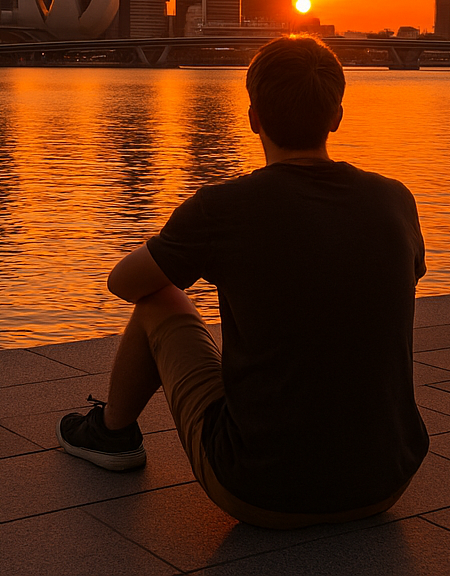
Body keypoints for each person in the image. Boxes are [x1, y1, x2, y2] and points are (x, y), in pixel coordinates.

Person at [58, 34, 428, 528]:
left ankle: (111, 434)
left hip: (261, 489)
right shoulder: (394, 200)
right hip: (386, 482)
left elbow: (124, 283)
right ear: (336, 116)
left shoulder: (223, 207)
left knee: (157, 296)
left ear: (253, 117)